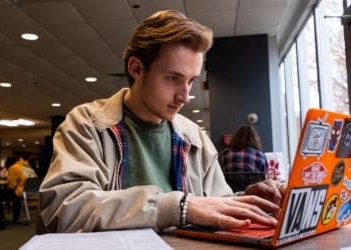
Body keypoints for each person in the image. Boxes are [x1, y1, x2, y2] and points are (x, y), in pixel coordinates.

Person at [38, 10, 285, 234]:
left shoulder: (195, 137)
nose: (185, 96)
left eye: (191, 81)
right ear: (136, 69)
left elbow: (215, 203)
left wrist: (247, 201)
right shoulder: (87, 124)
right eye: (172, 78)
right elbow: (64, 210)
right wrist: (176, 207)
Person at [7, 156, 37, 223]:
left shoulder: (14, 167)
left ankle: (15, 217)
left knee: (8, 192)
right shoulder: (29, 168)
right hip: (35, 191)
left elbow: (12, 184)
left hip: (22, 192)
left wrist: (9, 187)